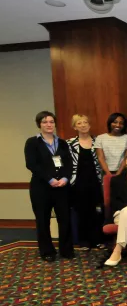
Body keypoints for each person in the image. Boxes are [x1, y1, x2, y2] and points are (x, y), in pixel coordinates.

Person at [25, 111, 74, 262]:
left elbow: (69, 164)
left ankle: (66, 250)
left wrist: (65, 178)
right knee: (43, 220)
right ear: (39, 124)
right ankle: (47, 251)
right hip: (41, 188)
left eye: (51, 122)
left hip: (62, 187)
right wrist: (50, 179)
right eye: (45, 122)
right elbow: (32, 164)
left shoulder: (63, 143)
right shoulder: (32, 142)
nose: (49, 125)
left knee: (65, 219)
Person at [67, 114, 103, 250]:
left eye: (85, 122)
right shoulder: (69, 143)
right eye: (79, 123)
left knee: (97, 211)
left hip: (95, 181)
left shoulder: (98, 142)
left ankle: (97, 240)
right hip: (78, 182)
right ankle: (84, 241)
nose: (83, 125)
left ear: (89, 125)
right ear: (74, 127)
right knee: (82, 212)